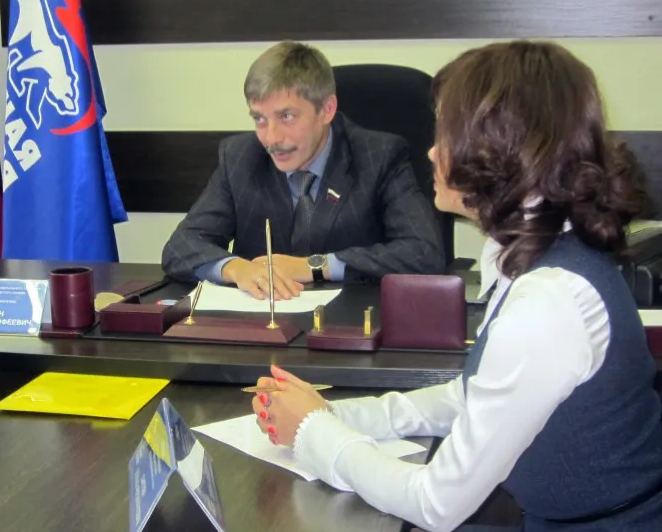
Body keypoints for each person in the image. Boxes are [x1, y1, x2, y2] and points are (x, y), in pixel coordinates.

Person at [252, 40, 662, 531]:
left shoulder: (547, 302)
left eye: (446, 134)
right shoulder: (540, 251)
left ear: (498, 153)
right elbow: (472, 396)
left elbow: (436, 504)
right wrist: (337, 415)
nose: (430, 150)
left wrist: (313, 433)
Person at [161, 41, 443, 300]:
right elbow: (180, 246)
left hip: (351, 322)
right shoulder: (241, 157)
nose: (272, 138)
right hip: (263, 326)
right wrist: (235, 268)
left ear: (327, 109)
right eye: (259, 118)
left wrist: (314, 267)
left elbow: (423, 252)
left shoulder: (378, 156)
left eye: (287, 116)